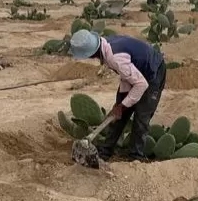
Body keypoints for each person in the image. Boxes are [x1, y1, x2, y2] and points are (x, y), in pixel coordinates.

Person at [69, 29, 165, 163]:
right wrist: (120, 104)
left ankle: (135, 156)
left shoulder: (115, 57)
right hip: (134, 73)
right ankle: (106, 150)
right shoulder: (106, 46)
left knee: (141, 116)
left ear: (90, 54)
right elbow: (127, 74)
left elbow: (141, 84)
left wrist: (122, 106)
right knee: (118, 115)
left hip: (153, 72)